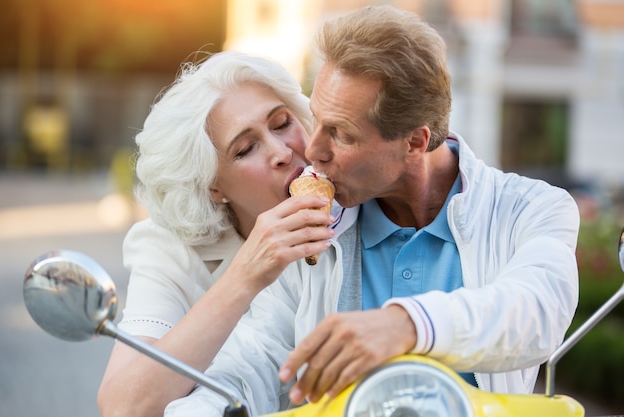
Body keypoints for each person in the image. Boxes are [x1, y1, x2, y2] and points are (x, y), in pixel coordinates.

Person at [164, 5, 580, 417]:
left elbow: (537, 309)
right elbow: (252, 361)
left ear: (415, 143)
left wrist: (405, 325)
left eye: (341, 134)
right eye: (317, 121)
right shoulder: (312, 227)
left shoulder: (534, 209)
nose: (311, 151)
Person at [96, 50, 336, 417]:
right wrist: (245, 276)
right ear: (213, 188)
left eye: (282, 122)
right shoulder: (169, 248)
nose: (282, 152)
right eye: (246, 148)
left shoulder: (354, 201)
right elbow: (124, 407)